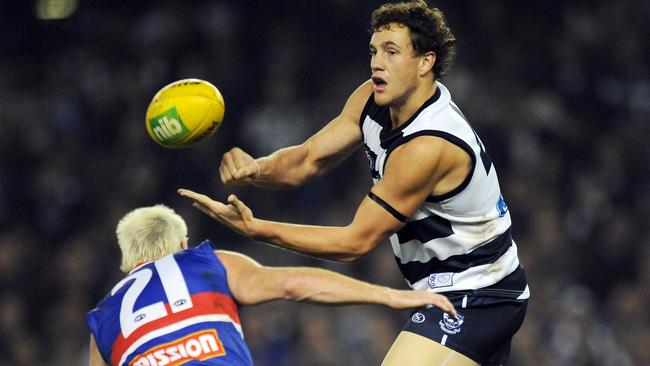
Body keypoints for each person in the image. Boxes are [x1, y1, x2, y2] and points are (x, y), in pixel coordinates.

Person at [179, 1, 529, 365]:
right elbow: (309, 158)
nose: (376, 62)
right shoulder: (373, 98)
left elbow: (354, 242)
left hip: (478, 295)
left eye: (392, 52)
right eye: (374, 51)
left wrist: (255, 229)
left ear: (426, 62)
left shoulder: (428, 146)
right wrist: (257, 169)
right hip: (457, 288)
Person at [86, 204, 456, 366]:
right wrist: (388, 294)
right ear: (182, 246)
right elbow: (294, 283)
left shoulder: (102, 318)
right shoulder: (203, 263)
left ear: (128, 263)